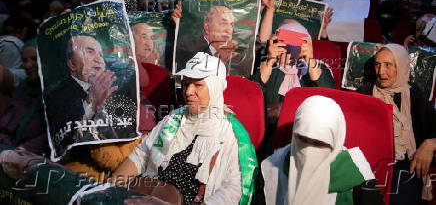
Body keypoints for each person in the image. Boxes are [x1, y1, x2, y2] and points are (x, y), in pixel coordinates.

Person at [112, 52, 258, 204]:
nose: (188, 92)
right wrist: (108, 189)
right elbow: (142, 154)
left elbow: (234, 189)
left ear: (214, 88)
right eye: (186, 84)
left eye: (198, 85)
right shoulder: (174, 119)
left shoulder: (232, 135)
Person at [261, 95, 385, 205]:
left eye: (318, 143)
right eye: (302, 139)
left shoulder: (356, 173)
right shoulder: (275, 165)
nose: (308, 150)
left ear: (334, 141)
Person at [356, 44, 436, 205]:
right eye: (378, 65)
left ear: (401, 66)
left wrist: (431, 143)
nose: (381, 72)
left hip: (405, 164)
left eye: (388, 65)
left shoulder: (414, 96)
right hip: (368, 162)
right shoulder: (365, 93)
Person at [252, 21, 335, 154]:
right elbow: (253, 92)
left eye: (294, 45)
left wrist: (310, 60)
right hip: (269, 136)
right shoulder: (269, 66)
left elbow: (329, 96)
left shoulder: (318, 68)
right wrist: (270, 60)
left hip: (306, 136)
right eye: (283, 44)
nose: (288, 51)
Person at [45, 35, 121, 149]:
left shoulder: (114, 90)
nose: (98, 59)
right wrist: (91, 104)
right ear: (72, 64)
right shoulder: (55, 95)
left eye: (100, 55)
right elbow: (67, 140)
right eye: (89, 52)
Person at [0, 39, 48, 155]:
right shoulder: (23, 89)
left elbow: (53, 134)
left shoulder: (57, 90)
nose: (28, 65)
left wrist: (23, 150)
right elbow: (6, 126)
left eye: (34, 59)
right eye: (25, 61)